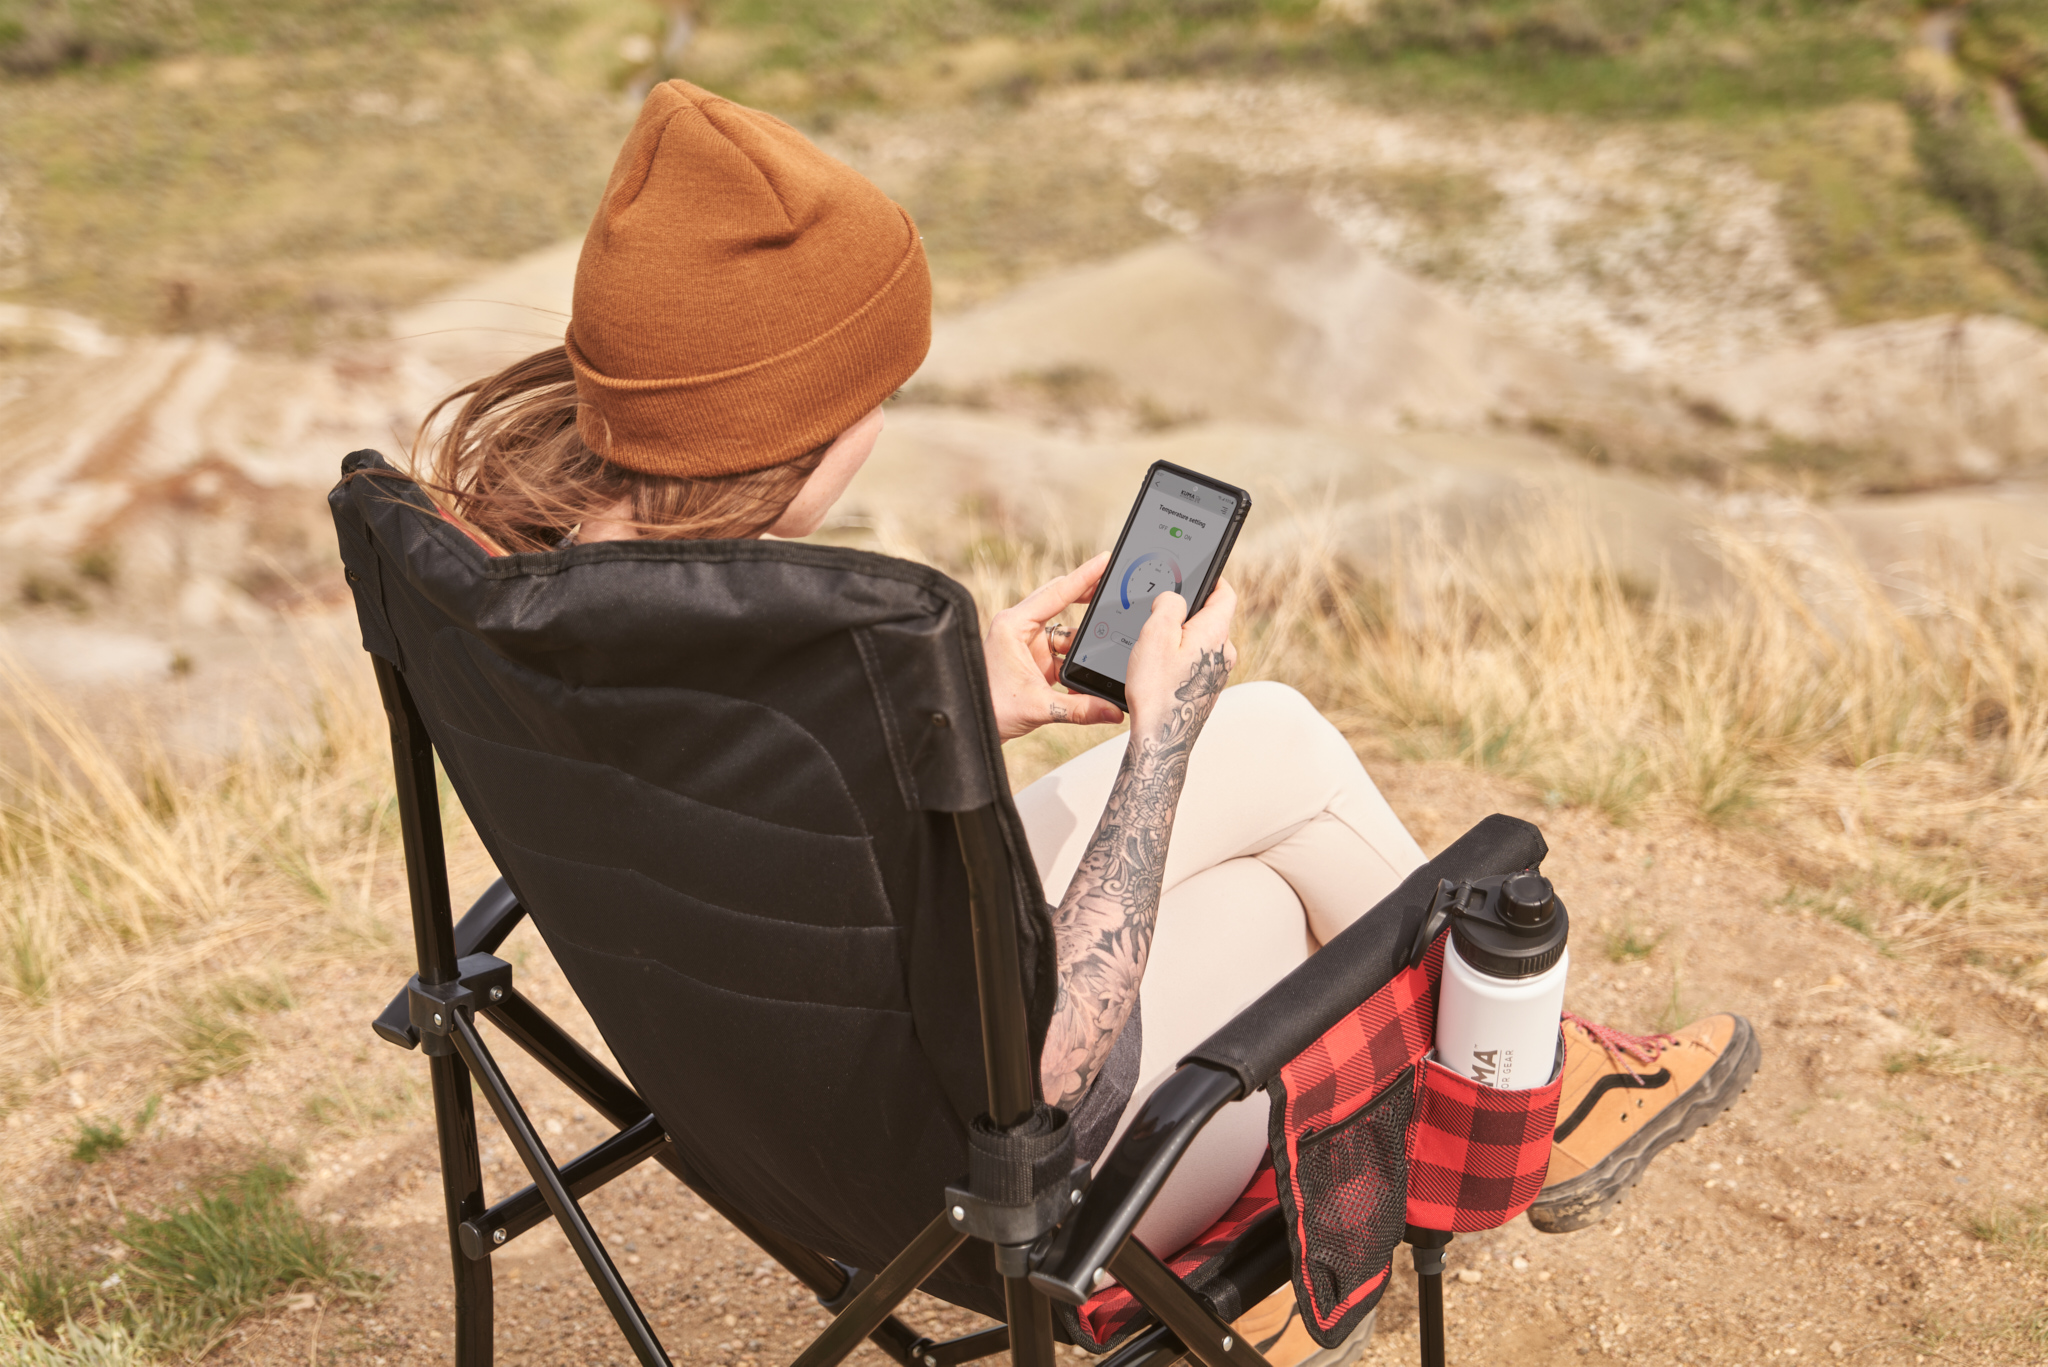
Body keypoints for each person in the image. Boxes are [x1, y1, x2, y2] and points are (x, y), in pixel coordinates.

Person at [412, 80, 1759, 1367]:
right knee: (1297, 916)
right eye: (871, 395)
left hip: (770, 1132)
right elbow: (1053, 1083)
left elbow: (772, 844)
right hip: (992, 1204)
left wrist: (962, 712)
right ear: (793, 424)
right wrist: (1160, 738)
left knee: (1278, 744)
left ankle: (1549, 1084)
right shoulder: (819, 649)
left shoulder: (526, 599)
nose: (880, 423)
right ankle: (1509, 1111)